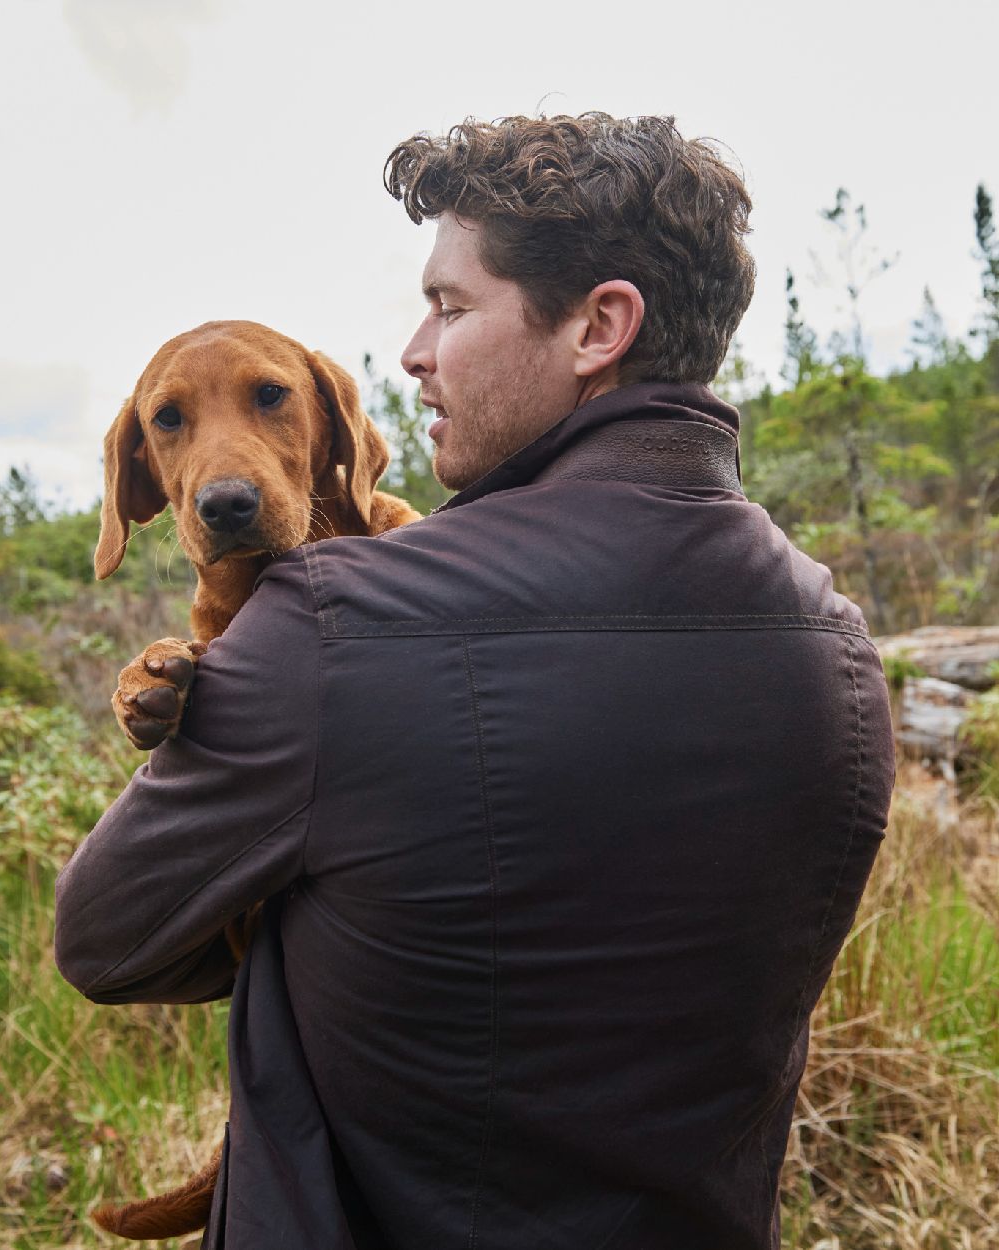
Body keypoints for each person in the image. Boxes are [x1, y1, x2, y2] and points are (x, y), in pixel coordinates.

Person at [55, 113, 895, 1249]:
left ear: (600, 326)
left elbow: (103, 939)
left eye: (450, 307)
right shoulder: (837, 643)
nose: (413, 351)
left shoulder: (328, 625)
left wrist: (299, 911)